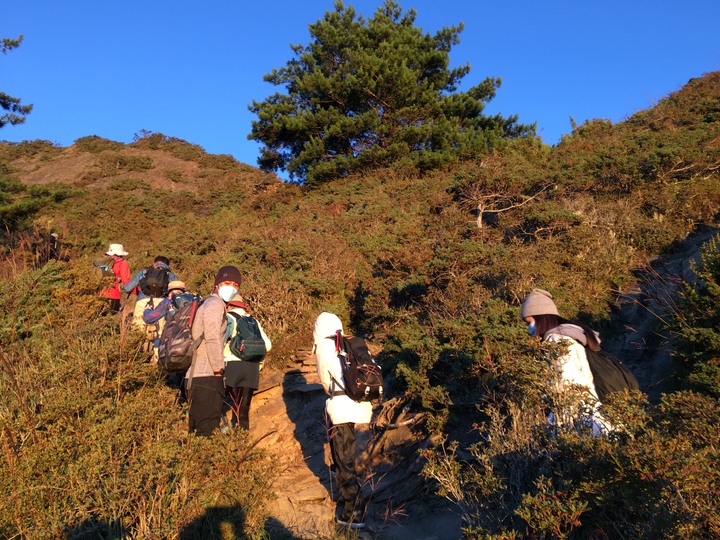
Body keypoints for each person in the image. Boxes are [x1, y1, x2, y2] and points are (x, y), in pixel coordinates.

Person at [520, 288, 612, 437]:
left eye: (529, 322)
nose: (528, 328)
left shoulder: (557, 341)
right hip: (588, 410)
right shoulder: (569, 336)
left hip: (578, 413)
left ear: (542, 317)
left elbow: (567, 382)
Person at [313, 312, 372, 529]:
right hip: (359, 405)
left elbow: (324, 380)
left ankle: (353, 513)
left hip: (339, 408)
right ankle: (351, 499)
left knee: (344, 458)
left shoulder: (324, 347)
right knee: (347, 454)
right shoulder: (348, 343)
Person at [187, 265, 241, 436]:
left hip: (198, 375)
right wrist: (218, 370)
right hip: (206, 374)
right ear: (217, 284)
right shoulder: (214, 304)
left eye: (235, 285)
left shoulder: (208, 303)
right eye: (226, 282)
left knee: (198, 431)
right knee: (206, 431)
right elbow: (211, 337)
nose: (231, 287)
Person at [223, 293, 272, 431]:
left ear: (229, 305)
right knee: (243, 410)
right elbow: (268, 345)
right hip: (252, 368)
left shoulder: (229, 318)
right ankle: (242, 442)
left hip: (232, 365)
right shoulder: (253, 321)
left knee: (219, 403)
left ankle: (222, 435)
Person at [144, 280, 195, 400]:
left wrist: (147, 309)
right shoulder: (192, 301)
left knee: (168, 372)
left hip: (171, 343)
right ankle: (186, 399)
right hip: (189, 342)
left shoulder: (168, 301)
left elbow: (149, 318)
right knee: (185, 373)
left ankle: (170, 399)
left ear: (169, 292)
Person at [125, 256, 180, 328]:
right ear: (167, 265)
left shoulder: (144, 271)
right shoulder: (171, 275)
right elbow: (177, 293)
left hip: (143, 301)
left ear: (154, 263)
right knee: (160, 331)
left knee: (138, 328)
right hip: (162, 303)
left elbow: (127, 288)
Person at [99, 243, 132, 313]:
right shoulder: (122, 262)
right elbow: (125, 280)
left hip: (100, 293)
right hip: (114, 294)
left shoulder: (103, 261)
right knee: (110, 317)